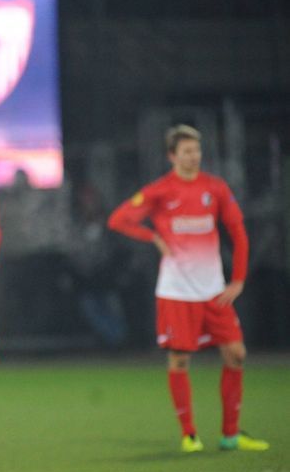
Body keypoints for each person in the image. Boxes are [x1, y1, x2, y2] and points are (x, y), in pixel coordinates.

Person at [107, 124, 268, 453]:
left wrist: (237, 279)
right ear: (172, 156)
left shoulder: (215, 188)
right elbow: (119, 219)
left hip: (213, 291)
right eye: (187, 152)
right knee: (180, 360)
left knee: (236, 354)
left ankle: (231, 434)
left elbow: (238, 232)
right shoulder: (160, 190)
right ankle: (189, 433)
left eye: (196, 150)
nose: (194, 157)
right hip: (177, 291)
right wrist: (151, 237)